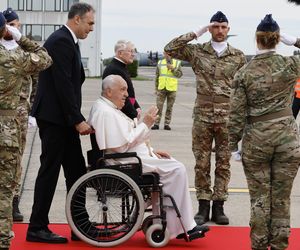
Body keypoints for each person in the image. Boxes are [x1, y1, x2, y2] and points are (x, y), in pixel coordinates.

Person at [88, 74, 209, 241]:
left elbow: (126, 138)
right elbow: (122, 145)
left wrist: (152, 150)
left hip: (130, 157)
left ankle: (174, 222)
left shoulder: (108, 108)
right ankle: (181, 226)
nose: (126, 94)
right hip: (125, 161)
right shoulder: (105, 112)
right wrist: (145, 123)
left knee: (171, 164)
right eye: (123, 89)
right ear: (109, 91)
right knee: (177, 169)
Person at [164, 11, 246, 225]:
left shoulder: (238, 56)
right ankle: (203, 205)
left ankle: (219, 206)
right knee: (201, 163)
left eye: (223, 27)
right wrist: (196, 32)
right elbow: (169, 49)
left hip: (227, 119)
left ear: (228, 29)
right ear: (210, 29)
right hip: (202, 117)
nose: (220, 31)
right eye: (215, 27)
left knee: (223, 164)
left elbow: (245, 87)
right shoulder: (197, 52)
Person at [228, 14, 300, 250]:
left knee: (260, 198)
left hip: (257, 141)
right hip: (287, 140)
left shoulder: (244, 72)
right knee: (281, 198)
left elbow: (236, 114)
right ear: (278, 40)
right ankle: (280, 245)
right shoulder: (290, 65)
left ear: (256, 40)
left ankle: (259, 245)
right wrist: (297, 42)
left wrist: (232, 145)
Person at [27, 2, 95, 244]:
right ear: (76, 19)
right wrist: (77, 119)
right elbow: (63, 84)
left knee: (76, 171)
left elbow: (73, 79)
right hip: (56, 119)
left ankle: (80, 225)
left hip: (62, 118)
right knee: (49, 171)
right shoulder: (60, 41)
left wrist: (74, 118)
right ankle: (36, 227)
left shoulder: (69, 41)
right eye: (89, 23)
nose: (92, 28)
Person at [0, 12, 52, 250]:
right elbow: (44, 58)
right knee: (4, 190)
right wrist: (21, 38)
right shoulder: (14, 58)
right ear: (5, 30)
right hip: (6, 130)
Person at [0, 7, 38, 222]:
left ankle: (13, 201)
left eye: (17, 26)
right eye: (11, 26)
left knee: (16, 158)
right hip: (5, 111)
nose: (14, 30)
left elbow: (38, 80)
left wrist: (33, 110)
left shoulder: (22, 50)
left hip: (20, 111)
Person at [102, 40, 141, 120]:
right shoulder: (114, 69)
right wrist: (133, 113)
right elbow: (118, 96)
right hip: (120, 114)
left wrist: (136, 107)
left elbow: (129, 92)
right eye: (130, 51)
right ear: (120, 53)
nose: (133, 54)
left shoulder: (121, 67)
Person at [151, 52, 182, 131]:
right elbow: (157, 76)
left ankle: (167, 124)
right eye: (165, 53)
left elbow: (179, 75)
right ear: (164, 54)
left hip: (172, 89)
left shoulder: (177, 63)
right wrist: (156, 88)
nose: (167, 55)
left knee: (169, 107)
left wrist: (173, 69)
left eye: (169, 53)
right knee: (159, 107)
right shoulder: (160, 63)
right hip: (161, 88)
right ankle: (156, 124)